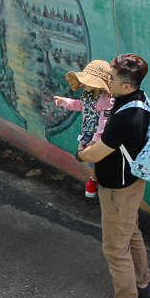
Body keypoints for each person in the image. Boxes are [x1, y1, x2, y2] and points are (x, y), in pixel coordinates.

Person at [80, 53, 150, 298]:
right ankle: (143, 284)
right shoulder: (138, 99)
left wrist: (82, 151)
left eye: (111, 78)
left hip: (117, 191)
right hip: (132, 185)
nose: (106, 81)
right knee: (131, 232)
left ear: (125, 85)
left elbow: (94, 154)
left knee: (115, 249)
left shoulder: (125, 116)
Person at [52, 59, 114, 198]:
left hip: (99, 137)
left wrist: (95, 140)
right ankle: (94, 179)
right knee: (90, 160)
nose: (84, 84)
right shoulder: (87, 95)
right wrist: (64, 102)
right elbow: (81, 105)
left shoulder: (107, 100)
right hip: (88, 132)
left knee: (96, 157)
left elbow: (105, 122)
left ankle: (98, 181)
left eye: (88, 81)